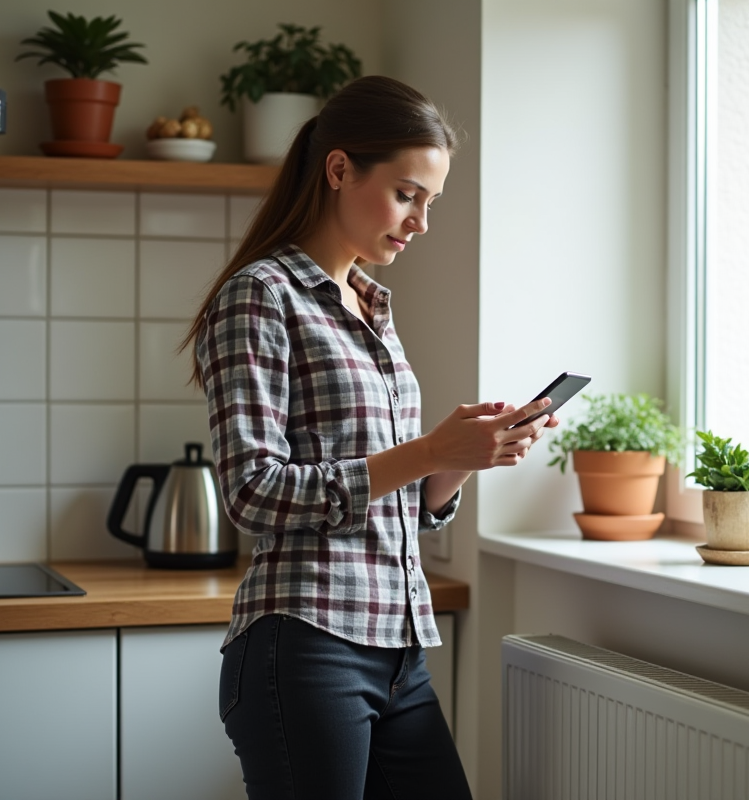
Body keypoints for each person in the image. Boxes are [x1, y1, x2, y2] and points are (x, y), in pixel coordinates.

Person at [181, 75, 558, 800]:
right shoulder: (261, 294)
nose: (420, 222)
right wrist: (429, 451)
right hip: (306, 642)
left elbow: (398, 505)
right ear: (340, 169)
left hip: (398, 646)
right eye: (407, 194)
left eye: (430, 203)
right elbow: (254, 493)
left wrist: (461, 463)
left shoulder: (370, 304)